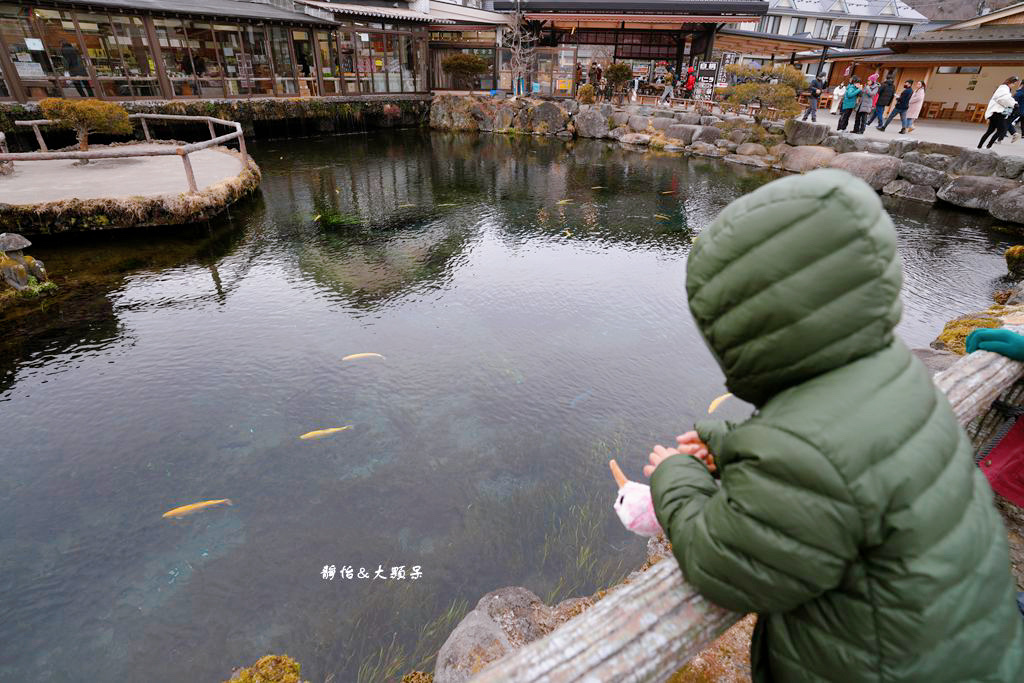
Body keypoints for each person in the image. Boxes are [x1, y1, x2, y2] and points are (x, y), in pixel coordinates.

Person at [644, 168, 1024, 683]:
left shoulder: (810, 453)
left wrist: (675, 477)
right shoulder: (895, 380)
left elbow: (729, 565)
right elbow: (840, 450)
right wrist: (727, 442)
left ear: (745, 328)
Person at [978, 76, 1020, 149]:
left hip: (997, 112)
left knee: (990, 131)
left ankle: (979, 147)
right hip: (998, 112)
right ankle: (988, 146)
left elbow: (1007, 98)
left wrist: (1013, 103)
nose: (1014, 85)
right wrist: (1014, 104)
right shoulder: (1004, 88)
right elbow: (1003, 99)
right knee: (1001, 130)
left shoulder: (1004, 88)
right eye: (1013, 83)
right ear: (1010, 82)